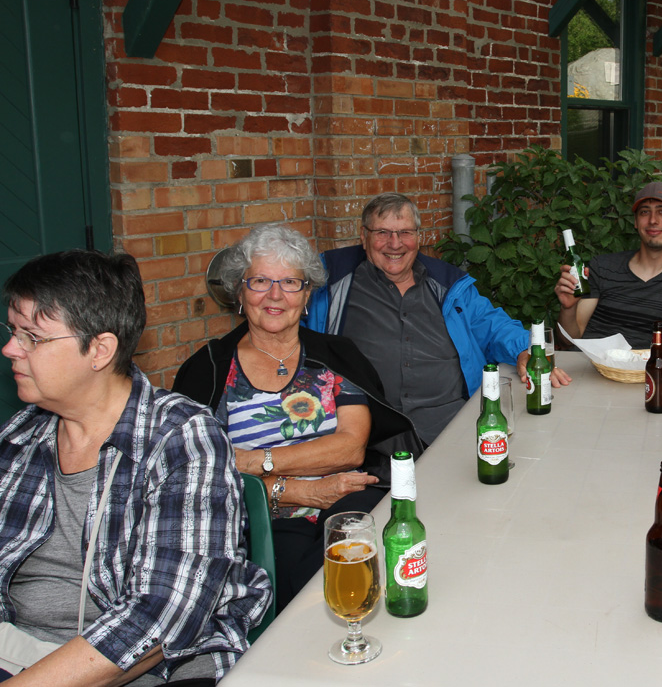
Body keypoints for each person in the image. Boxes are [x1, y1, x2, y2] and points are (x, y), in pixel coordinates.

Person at [0, 250, 270, 686]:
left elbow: (159, 616)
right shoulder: (21, 436)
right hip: (21, 651)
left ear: (100, 350)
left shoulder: (181, 438)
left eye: (33, 337)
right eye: (13, 331)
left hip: (156, 669)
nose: (10, 348)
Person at [174, 225, 421, 611]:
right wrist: (292, 490)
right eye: (260, 281)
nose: (275, 295)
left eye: (290, 282)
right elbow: (196, 472)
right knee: (307, 573)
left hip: (348, 495)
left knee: (382, 544)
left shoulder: (335, 356)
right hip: (259, 517)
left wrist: (256, 461)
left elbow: (351, 447)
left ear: (306, 294)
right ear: (240, 290)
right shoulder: (208, 370)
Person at [306, 193, 570, 446]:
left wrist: (524, 349)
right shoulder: (330, 284)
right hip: (369, 432)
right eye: (382, 233)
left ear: (418, 238)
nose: (395, 243)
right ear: (364, 236)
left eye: (405, 233)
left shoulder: (447, 285)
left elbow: (492, 325)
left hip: (451, 424)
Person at [554, 181, 662, 349]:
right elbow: (569, 340)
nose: (653, 220)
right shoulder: (602, 267)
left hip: (651, 371)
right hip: (591, 367)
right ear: (636, 221)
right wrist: (568, 309)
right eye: (645, 212)